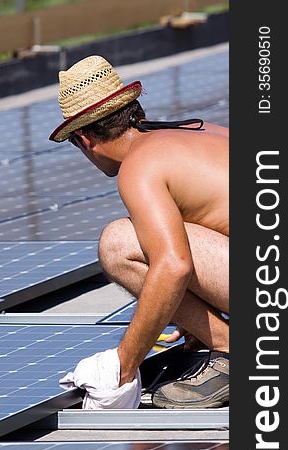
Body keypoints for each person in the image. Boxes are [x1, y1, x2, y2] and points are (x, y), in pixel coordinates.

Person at [49, 55, 229, 409]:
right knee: (167, 234)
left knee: (119, 241)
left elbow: (174, 265)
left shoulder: (140, 166)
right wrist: (187, 314)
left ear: (85, 139)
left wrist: (124, 363)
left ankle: (231, 349)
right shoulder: (201, 129)